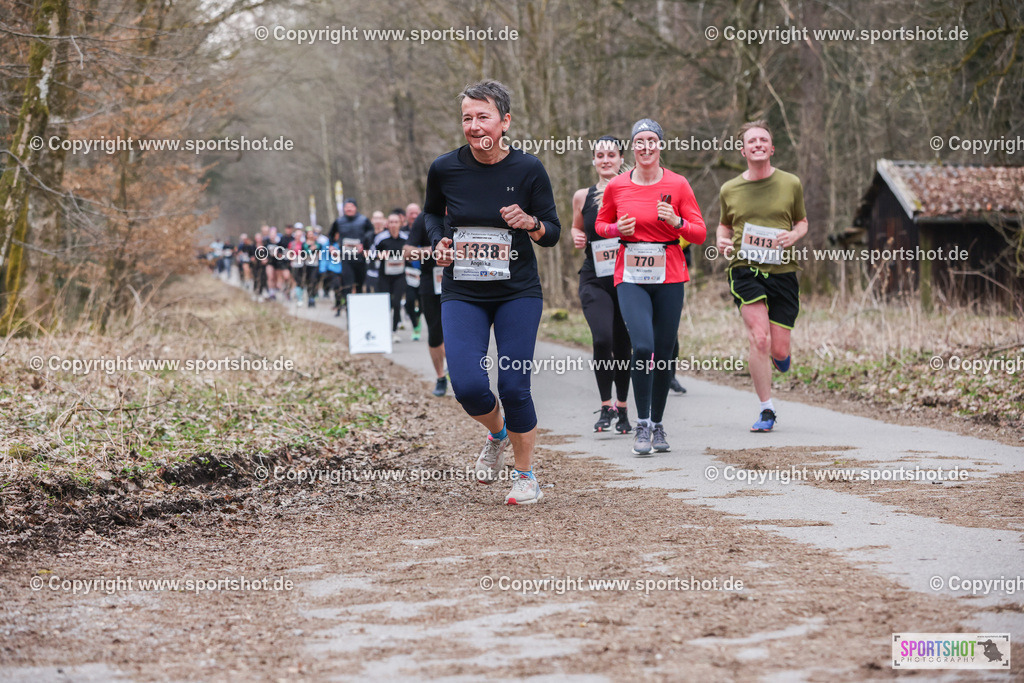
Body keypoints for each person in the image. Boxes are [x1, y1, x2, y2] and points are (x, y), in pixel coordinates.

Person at [425, 79, 560, 505]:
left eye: (483, 116)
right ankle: (497, 433)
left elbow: (553, 233)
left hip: (517, 291)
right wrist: (438, 243)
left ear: (505, 121)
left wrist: (531, 223)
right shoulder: (445, 168)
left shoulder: (528, 169)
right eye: (467, 117)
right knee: (466, 385)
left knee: (515, 385)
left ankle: (526, 476)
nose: (474, 125)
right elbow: (431, 214)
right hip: (463, 290)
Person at [595, 118, 706, 456]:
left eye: (651, 141)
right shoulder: (617, 186)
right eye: (639, 141)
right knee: (643, 347)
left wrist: (678, 222)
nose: (645, 147)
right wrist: (617, 228)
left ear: (660, 146)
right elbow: (600, 225)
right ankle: (641, 424)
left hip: (670, 276)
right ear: (633, 147)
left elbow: (700, 232)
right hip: (630, 276)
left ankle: (657, 425)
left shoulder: (679, 184)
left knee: (664, 351)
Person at [716, 120, 807, 432]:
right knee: (760, 338)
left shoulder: (791, 183)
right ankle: (766, 410)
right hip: (745, 269)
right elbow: (724, 226)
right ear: (743, 150)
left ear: (771, 148)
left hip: (782, 271)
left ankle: (781, 357)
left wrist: (794, 236)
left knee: (779, 349)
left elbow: (802, 222)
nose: (757, 144)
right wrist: (722, 241)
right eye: (751, 141)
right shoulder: (729, 189)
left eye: (763, 140)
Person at [570, 135, 632, 434]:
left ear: (621, 159)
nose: (606, 159)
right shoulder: (582, 196)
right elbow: (576, 226)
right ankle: (605, 404)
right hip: (594, 276)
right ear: (593, 160)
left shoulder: (633, 191)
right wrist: (576, 235)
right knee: (602, 339)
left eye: (612, 155)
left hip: (628, 278)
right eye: (600, 155)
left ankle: (622, 407)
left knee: (623, 344)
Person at [404, 208, 448, 395]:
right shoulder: (425, 217)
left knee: (461, 331)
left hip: (461, 281)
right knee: (435, 333)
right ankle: (440, 378)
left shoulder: (464, 210)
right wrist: (430, 250)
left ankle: (461, 371)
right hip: (431, 281)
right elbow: (407, 252)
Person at [374, 211, 409, 341]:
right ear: (387, 224)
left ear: (400, 224)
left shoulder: (405, 238)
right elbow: (371, 254)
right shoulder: (381, 238)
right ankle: (384, 330)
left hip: (399, 275)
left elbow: (412, 254)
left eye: (396, 222)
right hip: (385, 276)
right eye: (391, 222)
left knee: (396, 302)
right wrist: (381, 255)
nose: (393, 224)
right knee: (386, 303)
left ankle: (394, 331)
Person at [331, 199, 372, 299]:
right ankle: (349, 307)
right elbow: (331, 235)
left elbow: (371, 233)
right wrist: (331, 246)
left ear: (355, 208)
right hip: (346, 258)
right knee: (347, 284)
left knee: (359, 283)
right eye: (346, 207)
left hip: (360, 258)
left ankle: (359, 307)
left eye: (351, 206)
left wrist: (365, 245)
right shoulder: (339, 221)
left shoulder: (364, 220)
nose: (349, 209)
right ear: (344, 208)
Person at [404, 203, 423, 341]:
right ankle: (415, 324)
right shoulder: (402, 231)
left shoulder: (426, 227)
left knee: (423, 304)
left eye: (416, 213)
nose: (414, 216)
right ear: (406, 215)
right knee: (409, 302)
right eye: (411, 213)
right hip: (408, 272)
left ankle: (418, 316)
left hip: (425, 272)